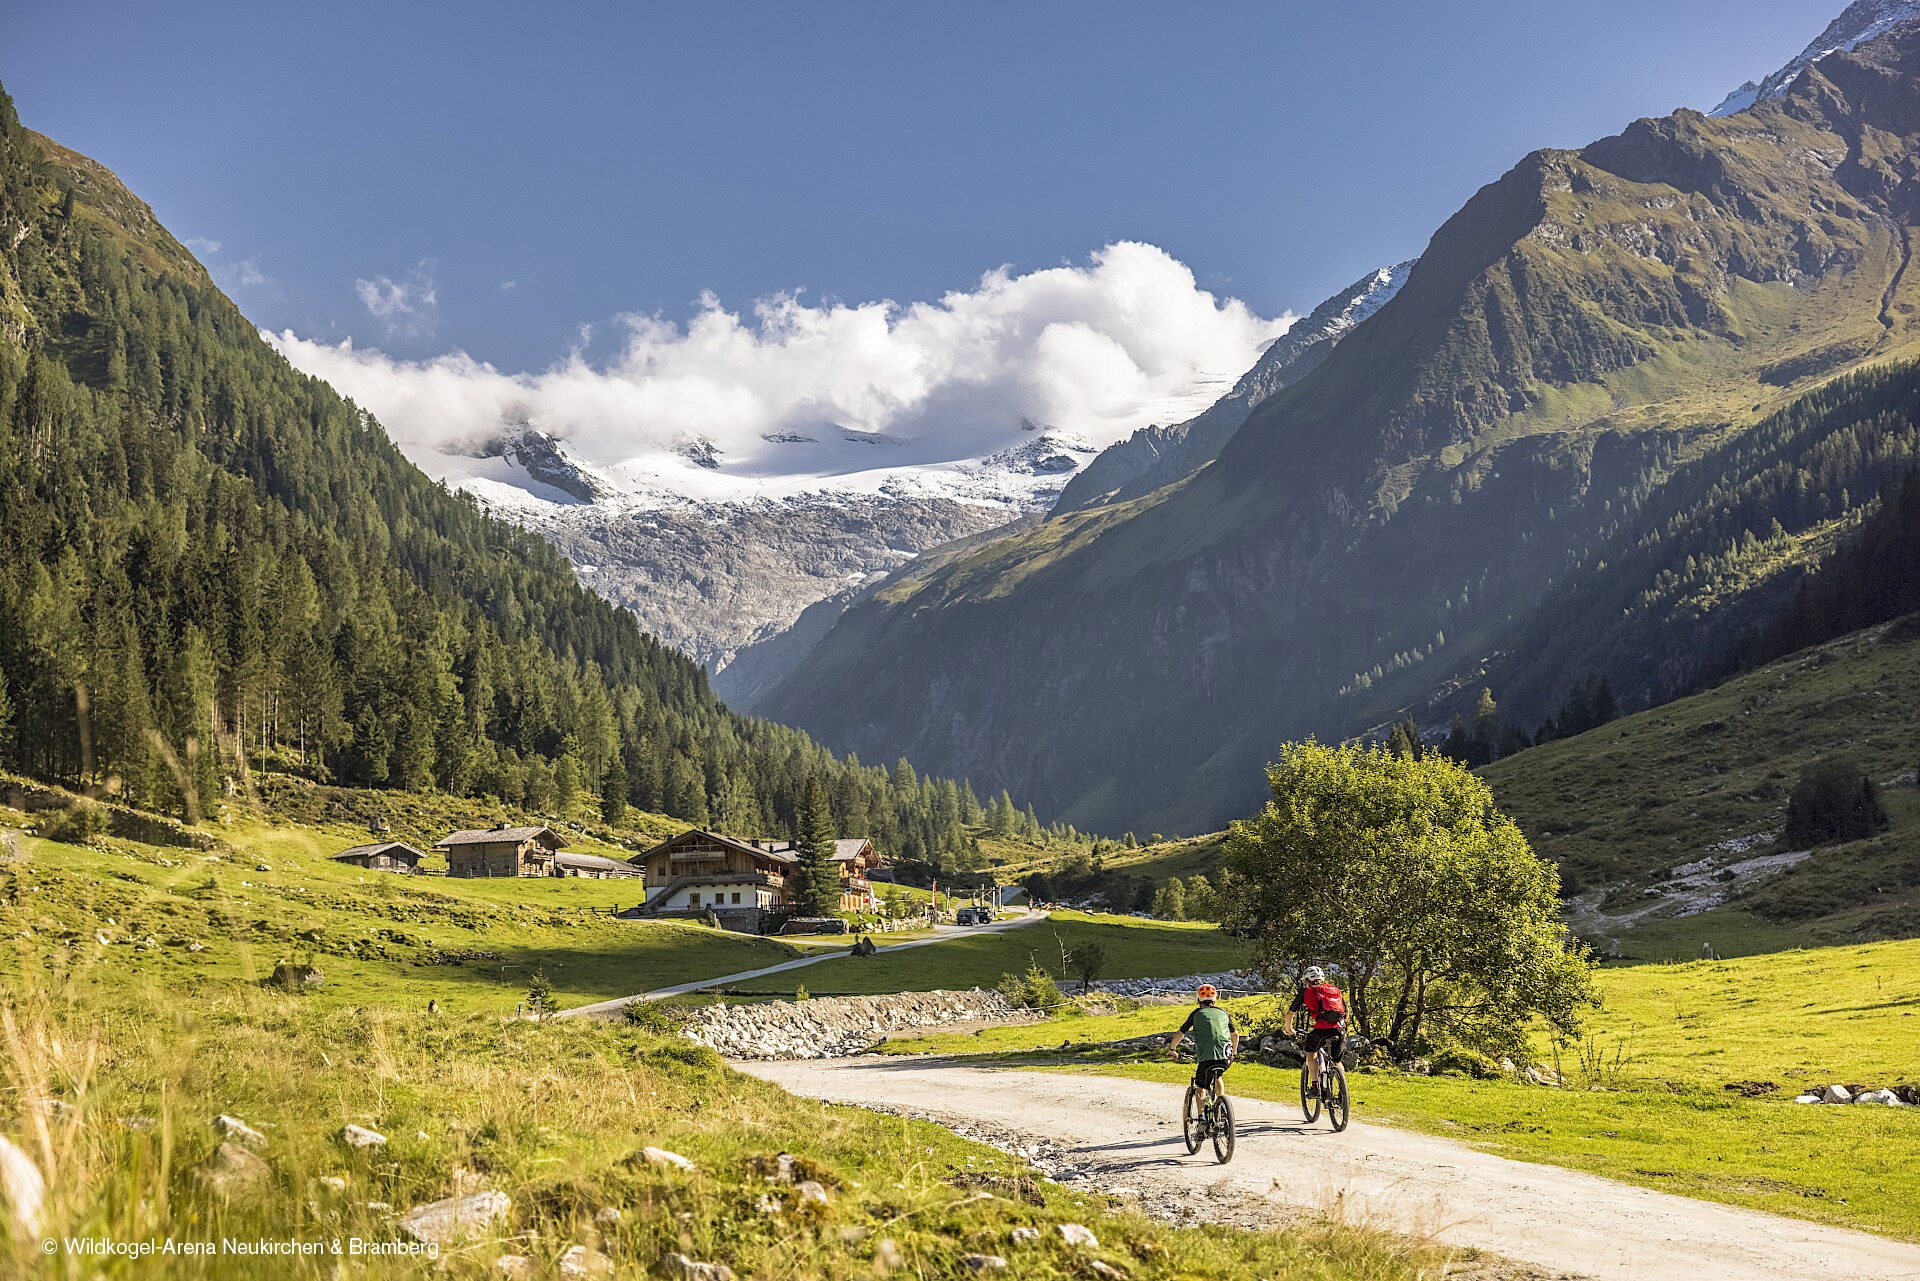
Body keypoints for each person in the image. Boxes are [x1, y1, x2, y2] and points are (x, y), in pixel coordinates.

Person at [1166, 983, 1240, 1099]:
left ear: (1198, 1000)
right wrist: (1234, 1053)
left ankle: (1201, 1116)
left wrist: (1172, 1049)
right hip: (1226, 1058)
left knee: (1201, 1086)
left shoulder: (1196, 1014)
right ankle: (1221, 1105)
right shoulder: (1223, 1013)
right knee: (1218, 1076)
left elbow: (1179, 1033)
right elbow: (1235, 1035)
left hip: (1206, 1059)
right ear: (1214, 1000)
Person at [1284, 965, 1348, 1095]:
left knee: (1311, 1053)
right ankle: (1343, 1092)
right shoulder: (1334, 990)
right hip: (1339, 1029)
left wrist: (1289, 1029)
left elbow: (1290, 1013)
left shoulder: (1305, 992)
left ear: (1307, 980)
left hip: (1321, 1030)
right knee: (1337, 1061)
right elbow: (1346, 1012)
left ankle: (1314, 1086)